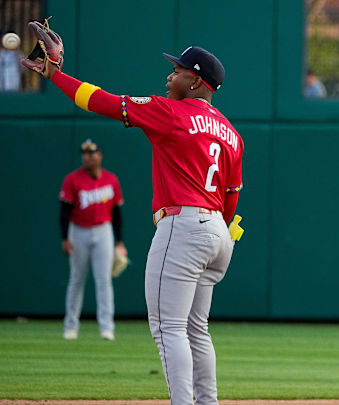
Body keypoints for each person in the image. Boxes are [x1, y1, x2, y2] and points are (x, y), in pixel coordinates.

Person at [23, 20, 244, 405]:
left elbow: (101, 100)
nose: (169, 75)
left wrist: (56, 74)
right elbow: (232, 193)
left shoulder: (171, 112)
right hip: (218, 234)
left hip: (184, 224)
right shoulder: (231, 132)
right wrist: (220, 229)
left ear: (195, 82)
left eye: (177, 70)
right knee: (196, 329)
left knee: (168, 328)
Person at [59, 139, 125, 341]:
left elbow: (117, 212)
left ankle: (107, 327)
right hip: (78, 231)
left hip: (104, 230)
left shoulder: (111, 179)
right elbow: (64, 211)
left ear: (100, 156)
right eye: (85, 153)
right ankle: (71, 326)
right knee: (76, 279)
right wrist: (65, 238)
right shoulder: (72, 179)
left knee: (104, 280)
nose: (88, 156)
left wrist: (120, 241)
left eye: (92, 153)